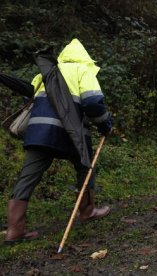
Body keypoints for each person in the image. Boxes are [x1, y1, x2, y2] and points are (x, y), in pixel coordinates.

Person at [4, 38, 112, 244]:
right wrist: (105, 124)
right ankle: (87, 211)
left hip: (39, 131)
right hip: (70, 132)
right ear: (85, 58)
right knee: (85, 167)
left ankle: (14, 230)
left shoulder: (49, 71)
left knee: (28, 175)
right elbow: (92, 101)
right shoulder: (82, 71)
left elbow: (32, 96)